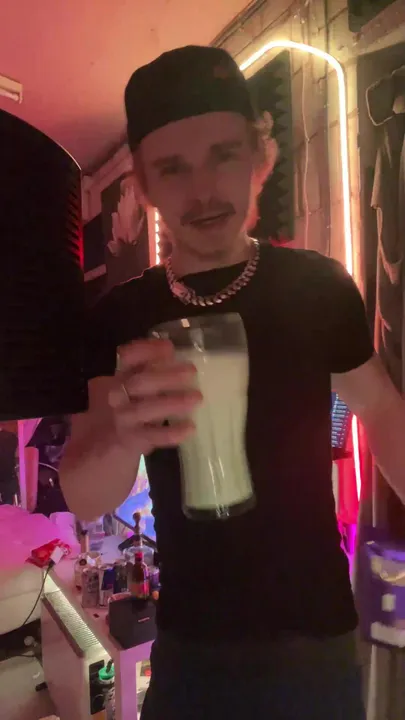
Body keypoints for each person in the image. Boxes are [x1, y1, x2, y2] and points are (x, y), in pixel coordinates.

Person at [60, 46, 405, 719]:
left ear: (260, 157)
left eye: (223, 154)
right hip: (190, 645)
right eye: (173, 167)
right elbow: (84, 494)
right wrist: (121, 432)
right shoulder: (120, 316)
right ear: (144, 185)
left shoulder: (317, 288)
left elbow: (382, 412)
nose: (203, 189)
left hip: (314, 640)